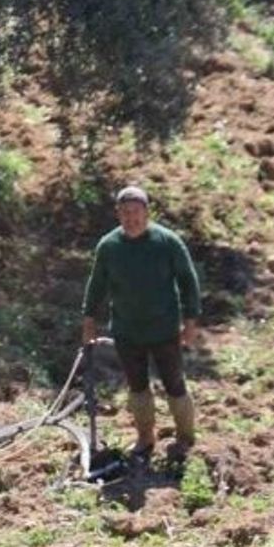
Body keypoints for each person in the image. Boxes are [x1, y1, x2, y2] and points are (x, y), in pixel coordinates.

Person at [81, 185, 202, 461]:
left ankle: (185, 437)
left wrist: (190, 320)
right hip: (127, 331)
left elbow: (188, 281)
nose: (131, 218)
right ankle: (145, 437)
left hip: (164, 329)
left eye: (136, 212)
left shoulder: (167, 242)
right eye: (125, 213)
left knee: (174, 383)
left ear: (147, 213)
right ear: (118, 214)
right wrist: (89, 318)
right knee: (137, 386)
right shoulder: (109, 246)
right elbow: (96, 284)